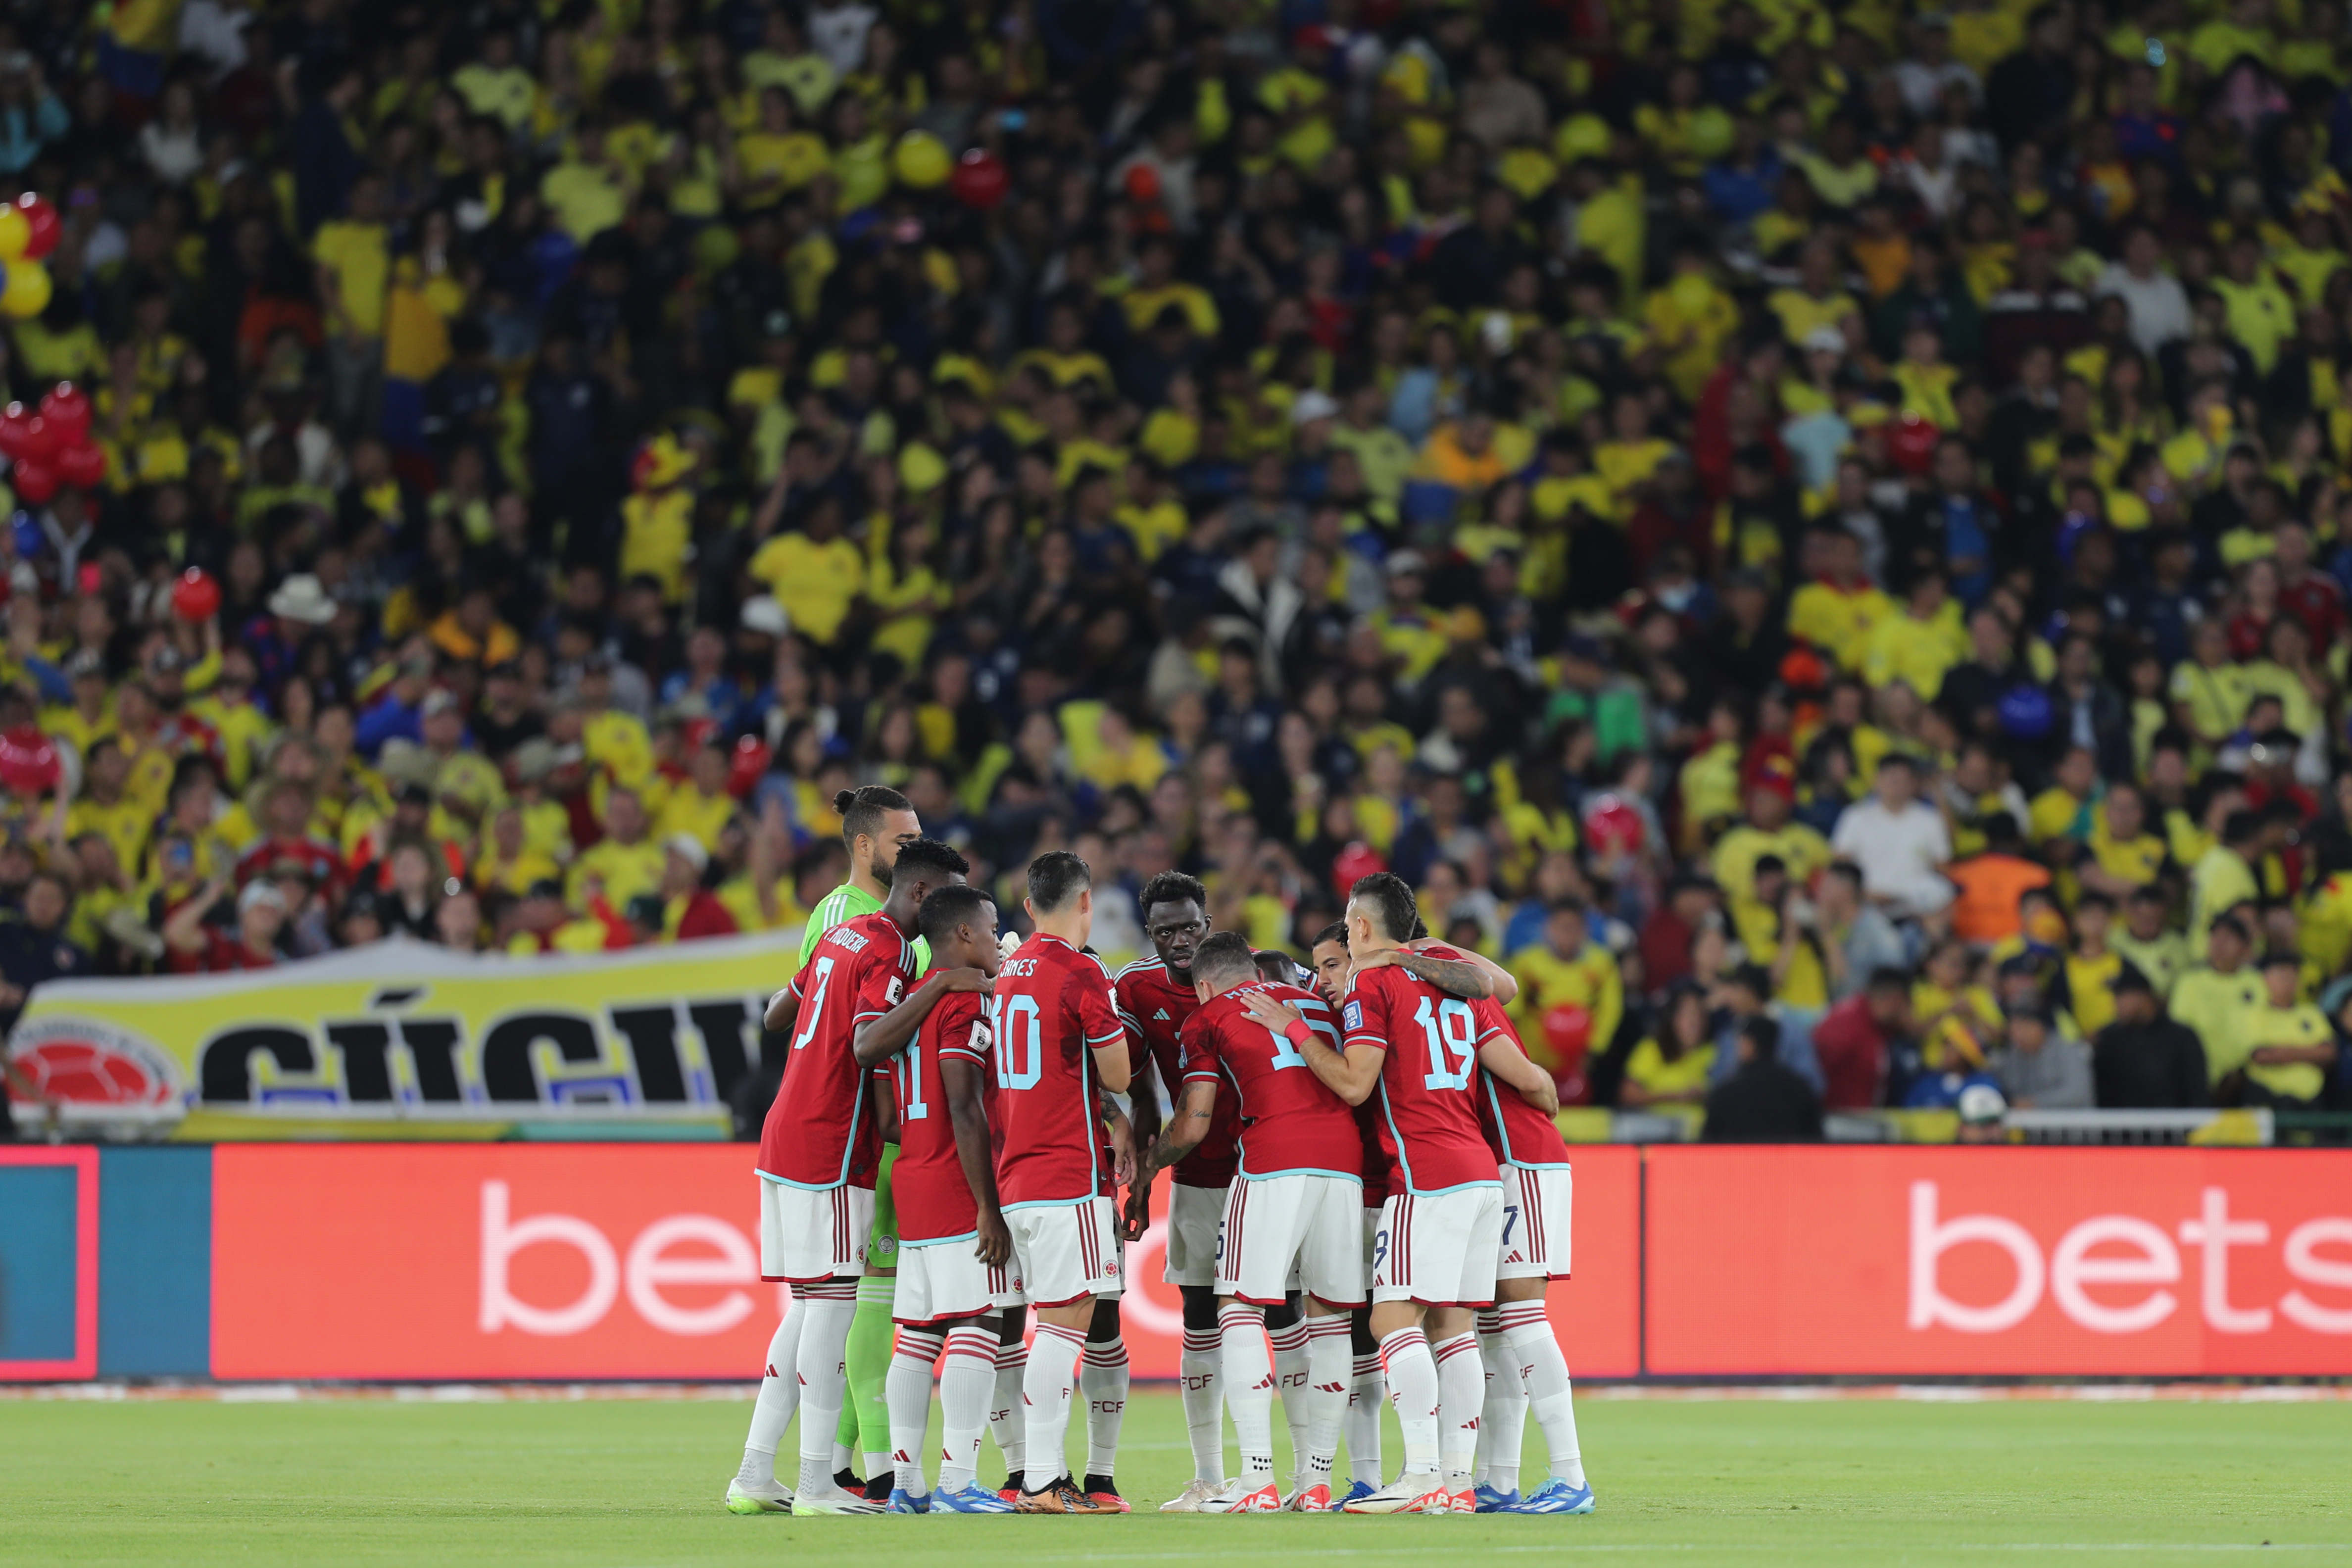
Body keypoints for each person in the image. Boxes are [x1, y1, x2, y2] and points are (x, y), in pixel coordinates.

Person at [1290, 871, 1559, 1515]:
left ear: (1358, 927)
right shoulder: (1445, 981)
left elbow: (1356, 1085)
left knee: (1390, 1319)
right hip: (1478, 1171)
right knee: (1454, 1328)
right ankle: (1459, 1485)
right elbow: (1501, 988)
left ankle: (1424, 1474)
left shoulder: (1370, 986)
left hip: (1426, 1176)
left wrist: (1297, 1034)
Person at [735, 835, 970, 1517]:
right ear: (922, 895)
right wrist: (941, 987)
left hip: (786, 1130)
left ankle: (755, 1473)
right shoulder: (892, 950)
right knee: (833, 1313)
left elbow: (778, 1013)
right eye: (948, 904)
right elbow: (869, 1044)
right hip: (832, 1146)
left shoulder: (841, 935)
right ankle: (815, 1484)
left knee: (807, 1308)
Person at [1153, 931, 1358, 1513]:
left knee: (1239, 1308)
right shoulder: (1317, 1002)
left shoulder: (1208, 1015)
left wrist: (1147, 1165)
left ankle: (1257, 1479)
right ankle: (1316, 1481)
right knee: (1331, 1320)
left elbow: (1193, 1125)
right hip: (1343, 1165)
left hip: (1273, 1161)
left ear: (1206, 984)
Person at [851, 883, 1017, 1514]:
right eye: (992, 924)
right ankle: (957, 1483)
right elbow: (965, 1106)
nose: (999, 938)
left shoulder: (913, 1007)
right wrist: (988, 1206)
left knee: (919, 1336)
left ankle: (907, 1483)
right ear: (966, 935)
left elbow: (891, 1115)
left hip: (913, 1176)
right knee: (979, 1322)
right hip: (954, 1182)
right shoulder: (964, 1006)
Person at [990, 850, 1134, 1515]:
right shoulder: (1080, 970)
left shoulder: (1003, 972)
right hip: (1065, 1171)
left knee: (1041, 1323)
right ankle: (1043, 1479)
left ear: (1027, 906)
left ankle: (1035, 1473)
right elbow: (1117, 1075)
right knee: (1066, 1321)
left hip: (1013, 1168)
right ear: (1086, 903)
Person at [794, 783, 926, 1502]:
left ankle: (843, 1461)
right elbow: (858, 1034)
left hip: (877, 1128)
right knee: (862, 1299)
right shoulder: (859, 919)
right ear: (866, 844)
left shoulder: (862, 918)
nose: (913, 855)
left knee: (861, 1301)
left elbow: (789, 1009)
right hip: (868, 1131)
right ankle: (875, 1469)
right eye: (904, 842)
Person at [1108, 872, 1233, 1513]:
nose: (1180, 940)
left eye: (1189, 926)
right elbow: (1134, 1086)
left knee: (1298, 1316)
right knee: (1202, 1318)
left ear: (1207, 923)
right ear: (1150, 935)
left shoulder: (1252, 970)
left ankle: (1305, 1476)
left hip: (1269, 1171)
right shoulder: (1134, 987)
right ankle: (1209, 1477)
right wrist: (1142, 1179)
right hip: (1198, 1173)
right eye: (1166, 931)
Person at [1828, 754, 1955, 920]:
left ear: (1914, 784)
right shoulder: (1856, 816)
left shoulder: (1930, 820)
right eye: (1891, 780)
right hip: (1865, 905)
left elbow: (1942, 867)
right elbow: (1841, 863)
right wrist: (1861, 895)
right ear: (1877, 781)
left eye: (1902, 781)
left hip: (1915, 909)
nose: (1896, 787)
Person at [2092, 967, 2210, 1108]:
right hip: (2122, 1128)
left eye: (2122, 997)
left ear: (2144, 997)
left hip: (2176, 1127)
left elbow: (2196, 1091)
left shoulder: (2181, 1038)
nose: (2116, 1005)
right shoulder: (2109, 1039)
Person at [1700, 1016, 1825, 1143]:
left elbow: (1708, 1147)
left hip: (1739, 1162)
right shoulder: (1800, 1089)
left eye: (1741, 1041)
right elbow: (1817, 1141)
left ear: (1750, 1044)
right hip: (1788, 1162)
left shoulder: (1726, 1094)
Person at [1990, 1006, 2093, 1110]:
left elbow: (2078, 1093)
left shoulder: (2067, 1050)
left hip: (2073, 1122)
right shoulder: (2011, 1056)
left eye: (2023, 1029)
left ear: (2040, 1027)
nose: (2018, 1036)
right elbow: (2006, 1090)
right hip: (2027, 1124)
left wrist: (2035, 1103)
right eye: (2013, 1031)